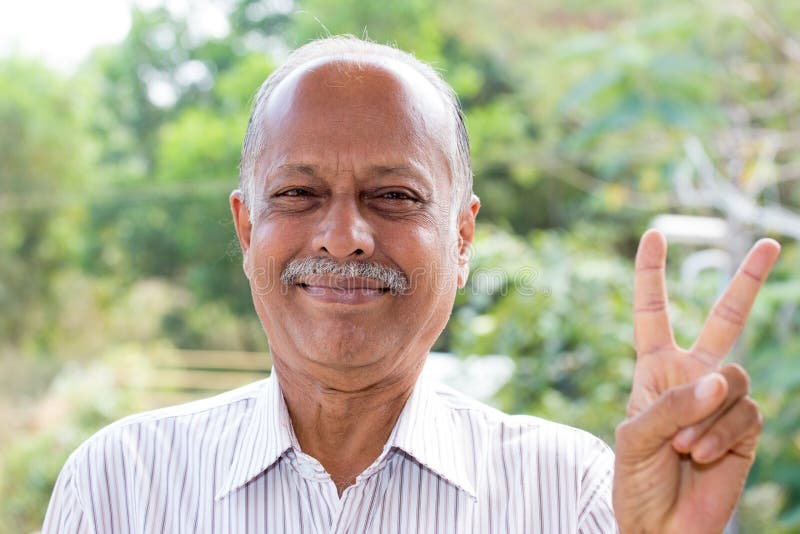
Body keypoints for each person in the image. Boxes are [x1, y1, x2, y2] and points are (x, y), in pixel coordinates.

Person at [42, 36, 780, 533]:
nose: (344, 235)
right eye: (298, 193)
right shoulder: (123, 488)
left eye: (394, 196)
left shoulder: (576, 496)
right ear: (245, 230)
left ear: (461, 238)